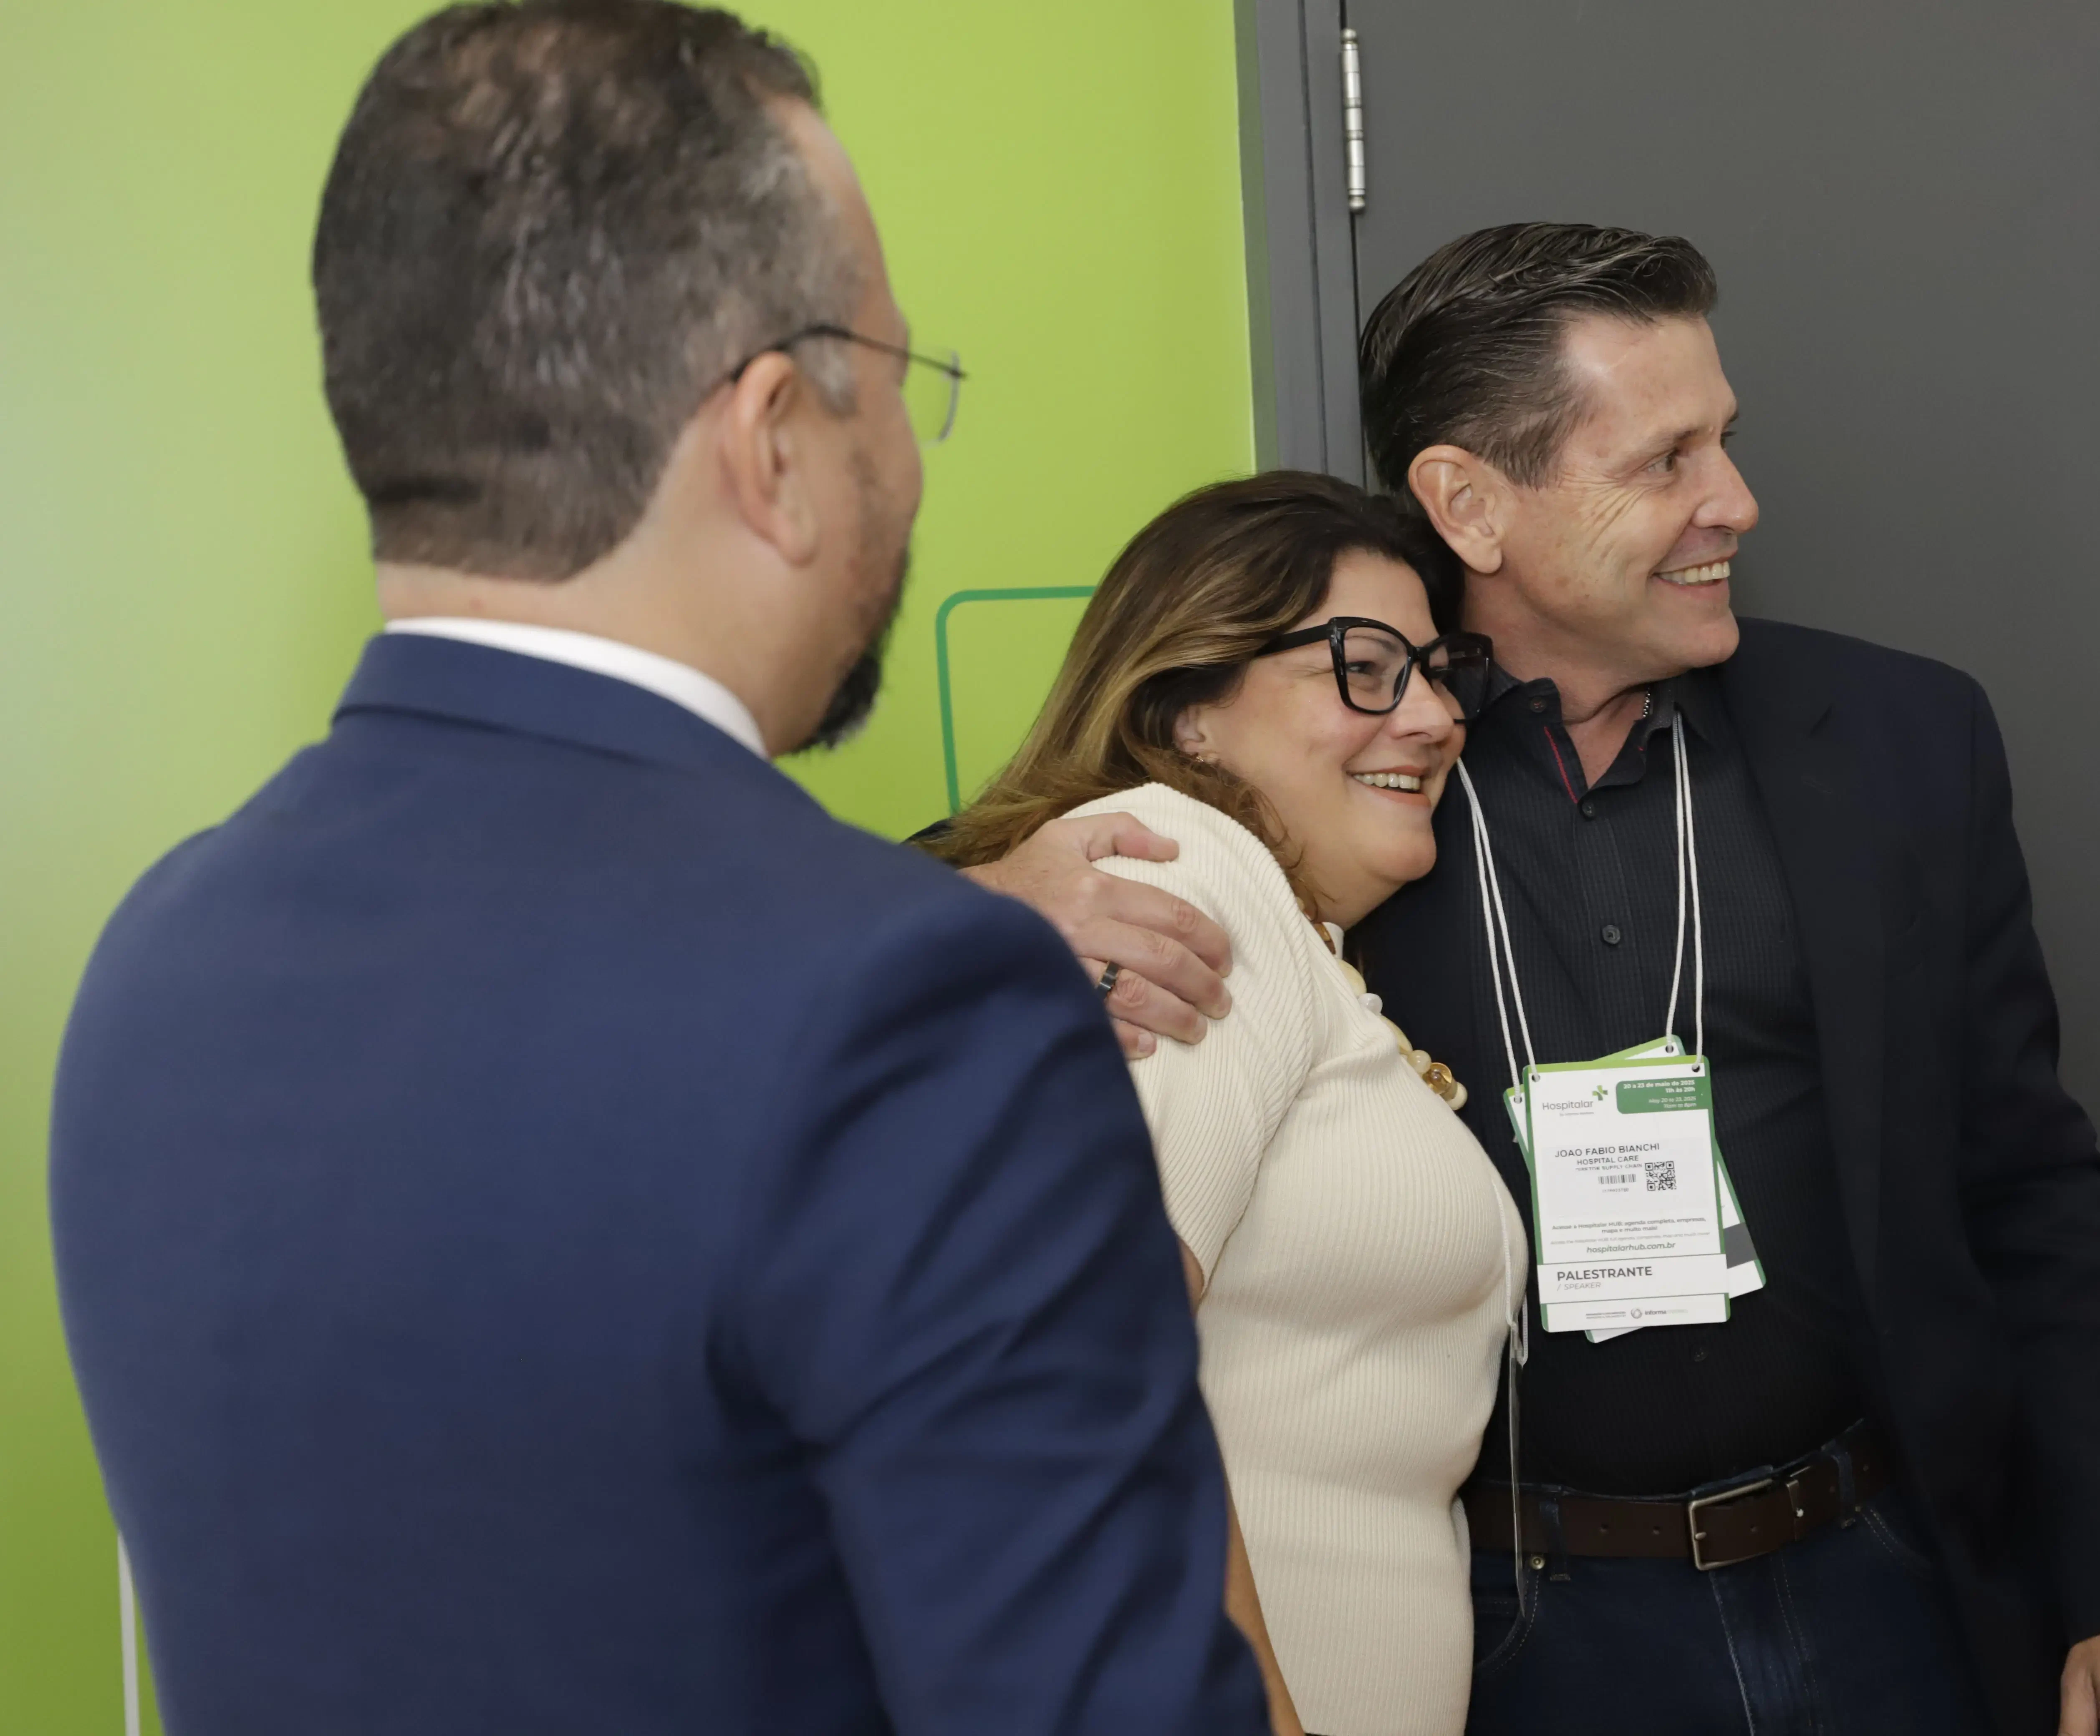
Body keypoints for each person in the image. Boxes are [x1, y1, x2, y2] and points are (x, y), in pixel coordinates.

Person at [48, 5, 1268, 1733]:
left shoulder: (158, 958)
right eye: (893, 380)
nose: (905, 457)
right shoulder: (920, 1003)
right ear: (772, 437)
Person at [985, 225, 2100, 1736]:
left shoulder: (1902, 742)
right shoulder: (1348, 774)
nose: (1736, 500)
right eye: (1664, 460)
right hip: (1512, 1630)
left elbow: (2032, 1190)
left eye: (1726, 440)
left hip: (1882, 1580)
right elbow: (1056, 871)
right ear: (1470, 505)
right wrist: (976, 903)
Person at [926, 472, 1527, 1736]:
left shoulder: (1301, 945)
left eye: (1436, 673)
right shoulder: (1182, 868)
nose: (1432, 717)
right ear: (1190, 709)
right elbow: (1088, 1354)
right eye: (1365, 668)